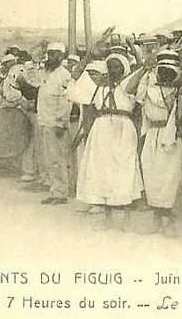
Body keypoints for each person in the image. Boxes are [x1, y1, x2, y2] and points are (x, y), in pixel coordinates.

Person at [75, 53, 144, 231]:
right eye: (111, 66)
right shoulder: (98, 88)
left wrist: (141, 63)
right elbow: (77, 88)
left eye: (118, 66)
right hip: (102, 129)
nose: (114, 70)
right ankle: (105, 215)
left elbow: (137, 78)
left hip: (123, 130)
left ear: (124, 68)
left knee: (123, 170)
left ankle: (124, 217)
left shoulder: (130, 86)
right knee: (103, 171)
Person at [132, 50, 182, 235]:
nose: (165, 73)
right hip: (152, 135)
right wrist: (145, 70)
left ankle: (170, 221)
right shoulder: (150, 87)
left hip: (171, 137)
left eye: (169, 70)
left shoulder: (180, 90)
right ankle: (157, 219)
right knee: (152, 176)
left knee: (171, 178)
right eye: (161, 70)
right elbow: (134, 93)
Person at [35, 42, 72, 205]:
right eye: (50, 54)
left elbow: (66, 101)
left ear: (61, 56)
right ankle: (54, 190)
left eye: (55, 54)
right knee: (49, 159)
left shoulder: (63, 75)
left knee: (58, 159)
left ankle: (61, 193)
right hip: (45, 121)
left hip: (55, 123)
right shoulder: (46, 74)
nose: (52, 57)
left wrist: (61, 122)